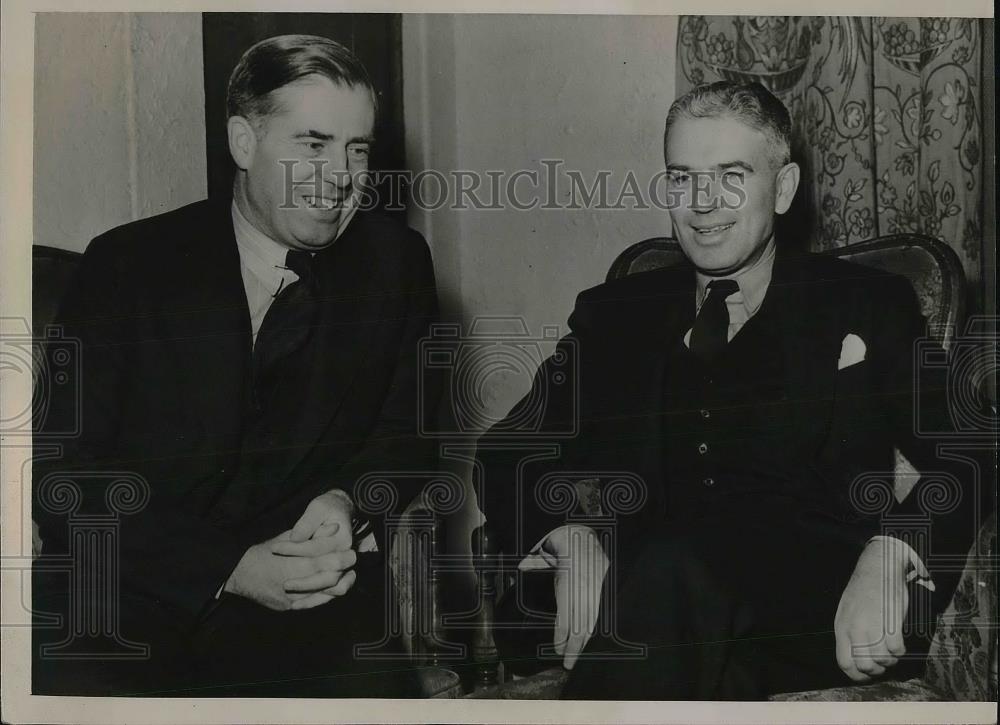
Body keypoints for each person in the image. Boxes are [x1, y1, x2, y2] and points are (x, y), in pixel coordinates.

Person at [477, 81, 981, 699]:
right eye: (682, 177)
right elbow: (507, 452)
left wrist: (891, 551)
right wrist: (571, 541)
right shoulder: (614, 315)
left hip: (804, 603)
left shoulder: (868, 304)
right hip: (635, 591)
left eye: (732, 175)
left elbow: (970, 449)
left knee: (672, 581)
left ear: (786, 187)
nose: (703, 203)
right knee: (665, 594)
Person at [32, 34, 441, 697]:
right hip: (132, 589)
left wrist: (349, 502)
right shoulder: (128, 266)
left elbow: (409, 435)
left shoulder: (396, 265)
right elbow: (63, 475)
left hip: (305, 596)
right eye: (313, 144)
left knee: (375, 686)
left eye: (357, 149)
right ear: (244, 144)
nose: (341, 176)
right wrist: (228, 567)